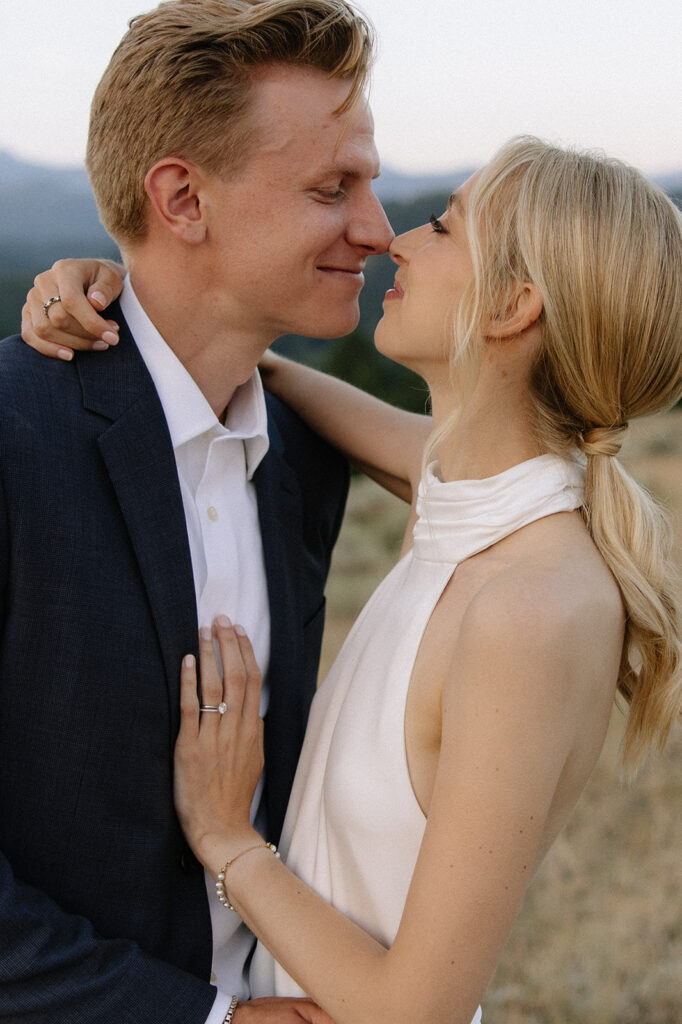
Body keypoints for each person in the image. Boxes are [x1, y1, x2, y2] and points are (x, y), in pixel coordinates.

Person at [24, 138, 682, 1021]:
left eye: (445, 226)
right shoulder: (465, 498)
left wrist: (227, 839)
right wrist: (124, 302)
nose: (397, 240)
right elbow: (267, 381)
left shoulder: (532, 606)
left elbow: (417, 1011)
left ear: (514, 305)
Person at [1, 1, 394, 1022]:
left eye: (371, 184)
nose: (377, 230)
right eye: (329, 188)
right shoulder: (11, 435)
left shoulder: (305, 459)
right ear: (182, 199)